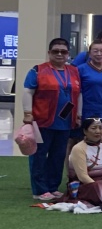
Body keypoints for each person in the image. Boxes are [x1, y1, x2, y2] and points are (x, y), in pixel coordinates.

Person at [23, 38, 82, 200]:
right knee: (39, 155)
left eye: (63, 51)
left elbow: (79, 94)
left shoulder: (74, 71)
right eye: (56, 51)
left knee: (58, 156)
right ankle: (39, 190)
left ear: (68, 54)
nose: (59, 54)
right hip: (42, 120)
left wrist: (78, 114)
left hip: (65, 122)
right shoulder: (37, 70)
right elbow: (28, 92)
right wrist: (27, 113)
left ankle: (53, 187)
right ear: (49, 53)